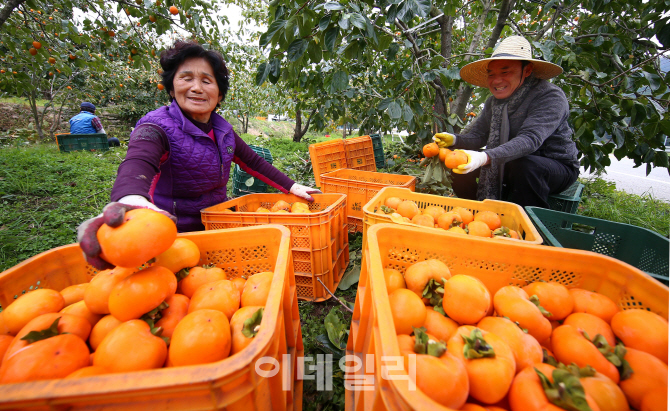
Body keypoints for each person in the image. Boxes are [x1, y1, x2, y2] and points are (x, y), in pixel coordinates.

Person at [78, 40, 320, 270]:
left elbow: (252, 162)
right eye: (186, 78)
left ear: (220, 94)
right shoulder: (156, 126)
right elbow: (139, 160)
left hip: (218, 224)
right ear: (172, 88)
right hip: (173, 233)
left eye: (207, 80)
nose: (196, 87)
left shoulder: (223, 130)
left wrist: (292, 186)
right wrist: (129, 197)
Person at [434, 36, 579, 208]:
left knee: (525, 166)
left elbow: (530, 139)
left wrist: (485, 157)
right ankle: (477, 210)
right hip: (510, 162)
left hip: (554, 166)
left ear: (527, 70)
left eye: (505, 72)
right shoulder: (493, 103)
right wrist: (454, 140)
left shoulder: (549, 96)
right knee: (458, 161)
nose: (496, 81)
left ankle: (524, 225)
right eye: (492, 74)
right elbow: (479, 136)